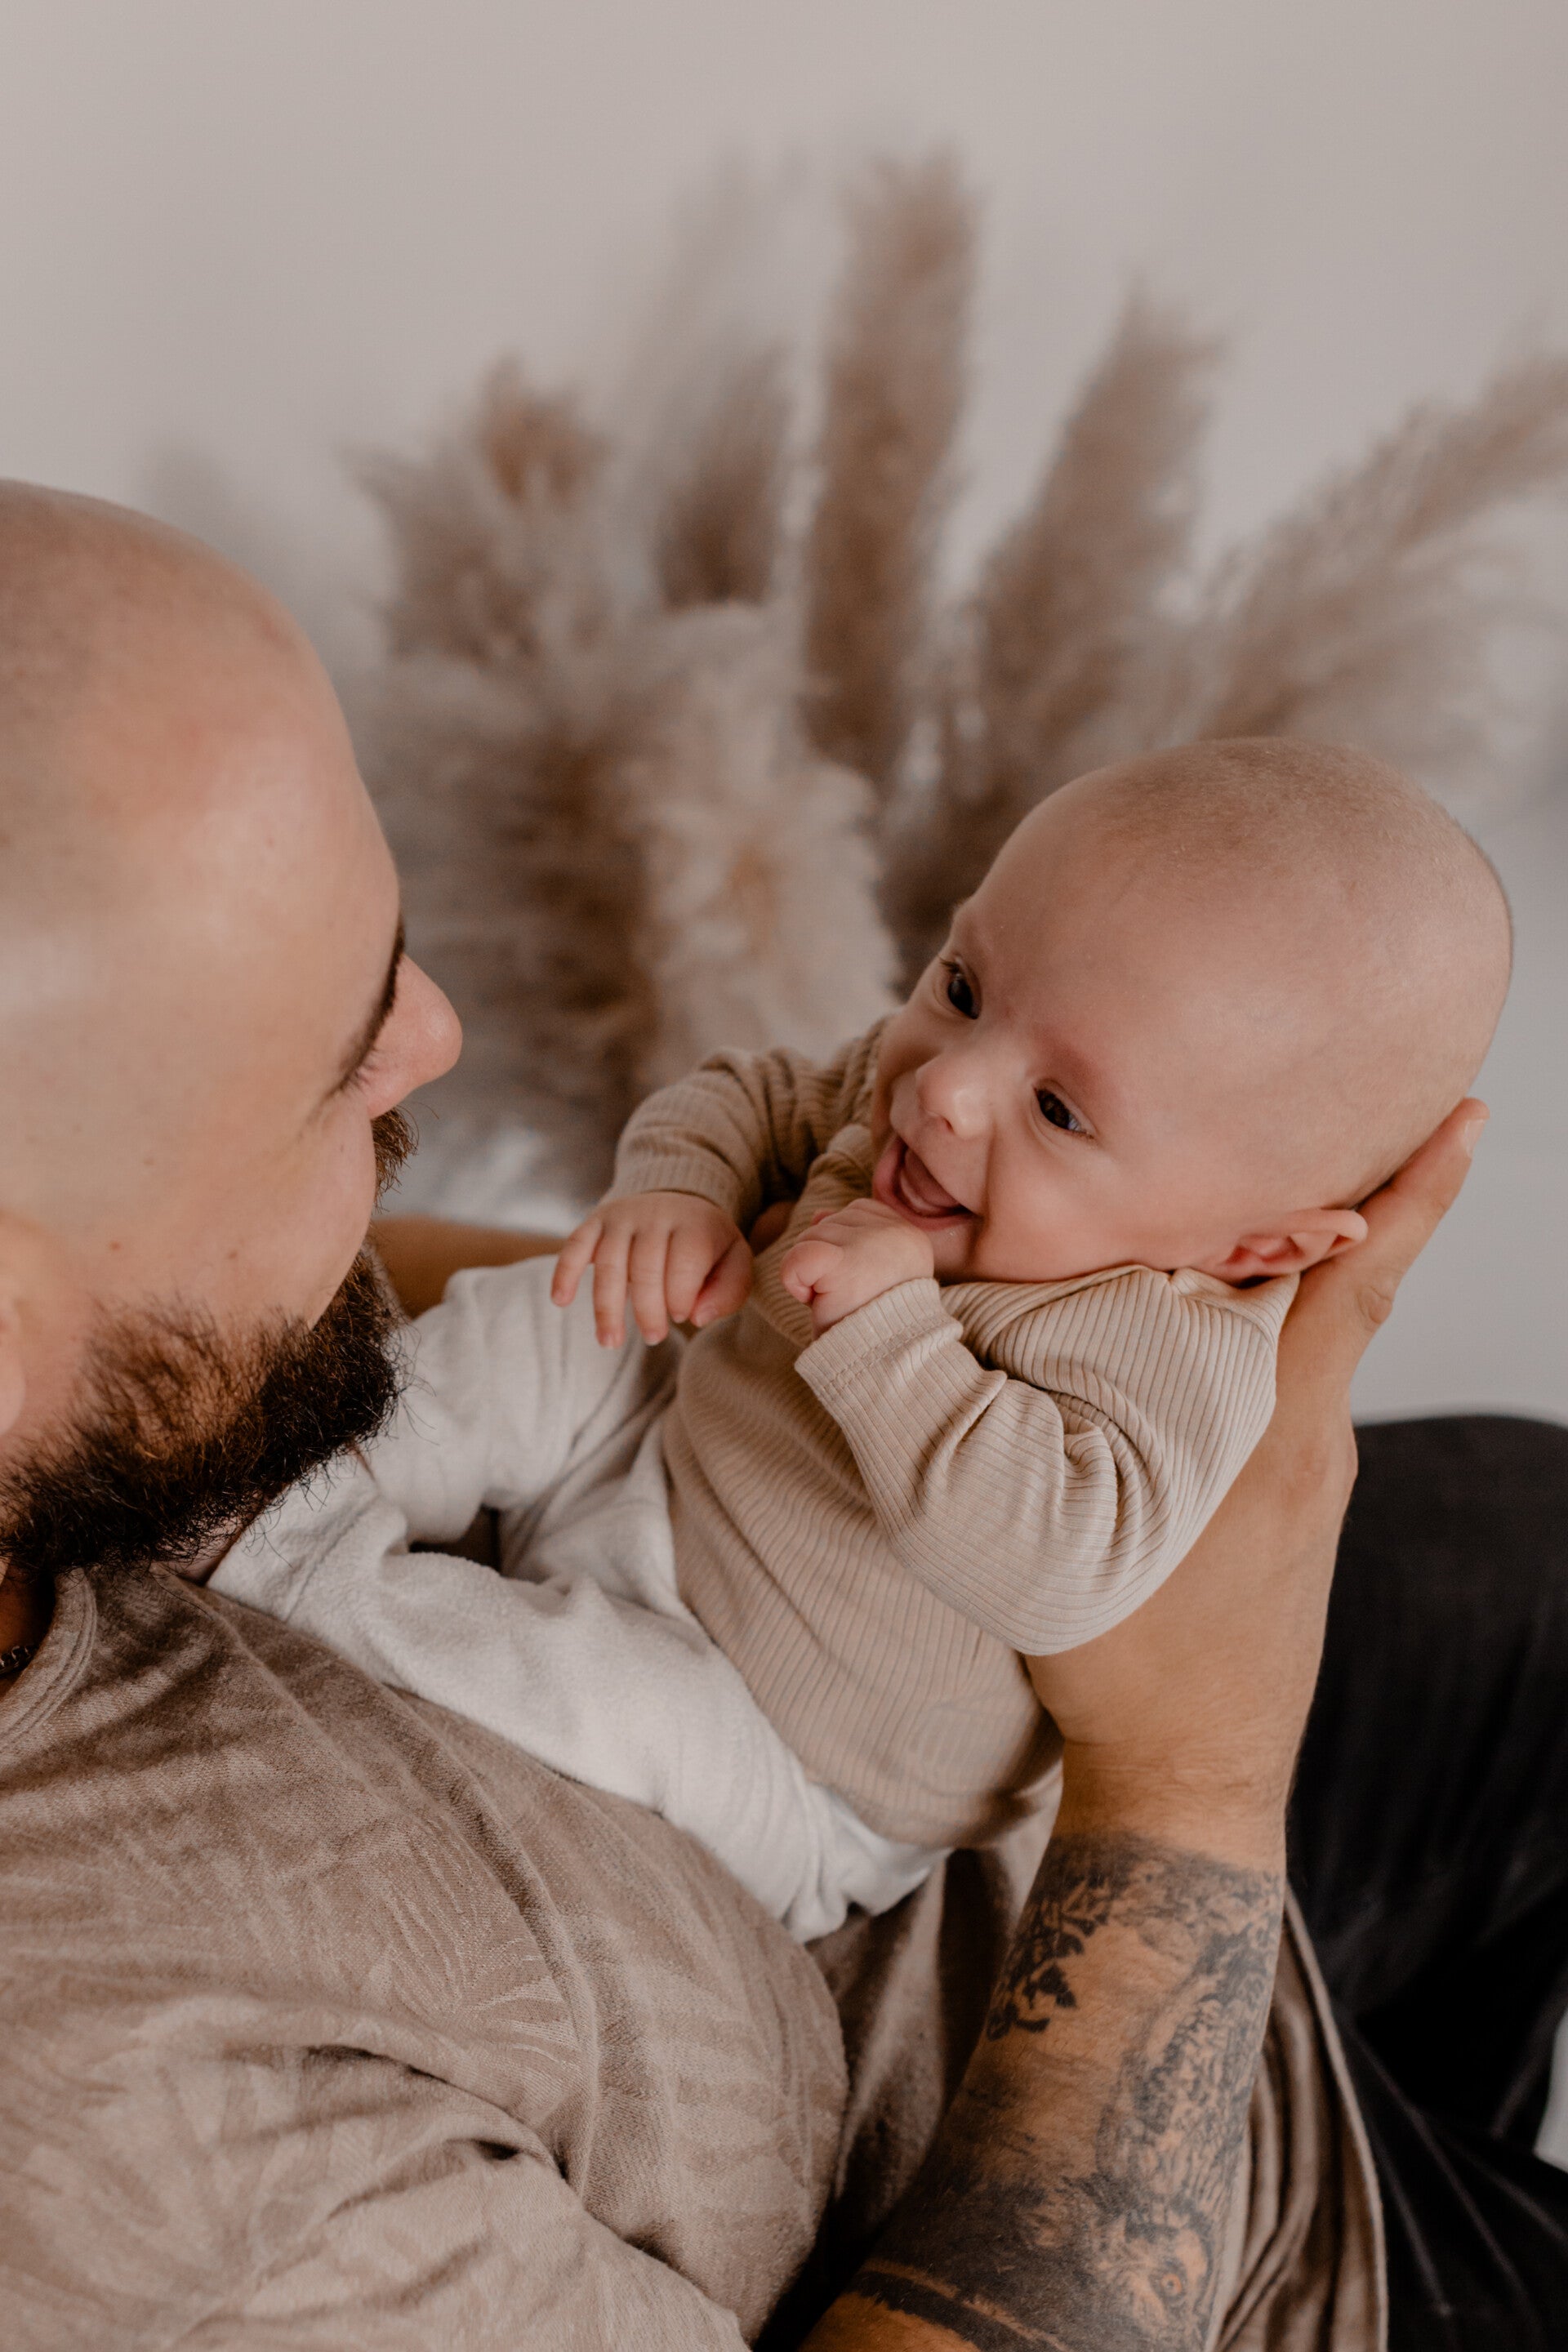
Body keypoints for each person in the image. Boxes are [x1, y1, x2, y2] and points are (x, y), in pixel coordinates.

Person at [0, 483, 1564, 2349]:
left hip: (1045, 1755)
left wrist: (698, 1275)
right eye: (333, 1061)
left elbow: (478, 1271)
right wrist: (1197, 1786)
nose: (439, 1036)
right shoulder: (126, 2155)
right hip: (1194, 2210)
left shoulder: (107, 1341)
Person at [210, 742, 1510, 1940]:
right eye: (964, 986)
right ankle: (311, 1469)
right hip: (660, 1442)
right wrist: (679, 1193)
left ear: (1257, 1247)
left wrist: (888, 1330)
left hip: (789, 1748)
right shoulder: (925, 1092)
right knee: (556, 1315)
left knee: (598, 1710)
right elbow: (748, 1096)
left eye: (1059, 1110)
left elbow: (1056, 1569)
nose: (944, 1085)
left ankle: (313, 1579)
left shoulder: (1172, 1348)